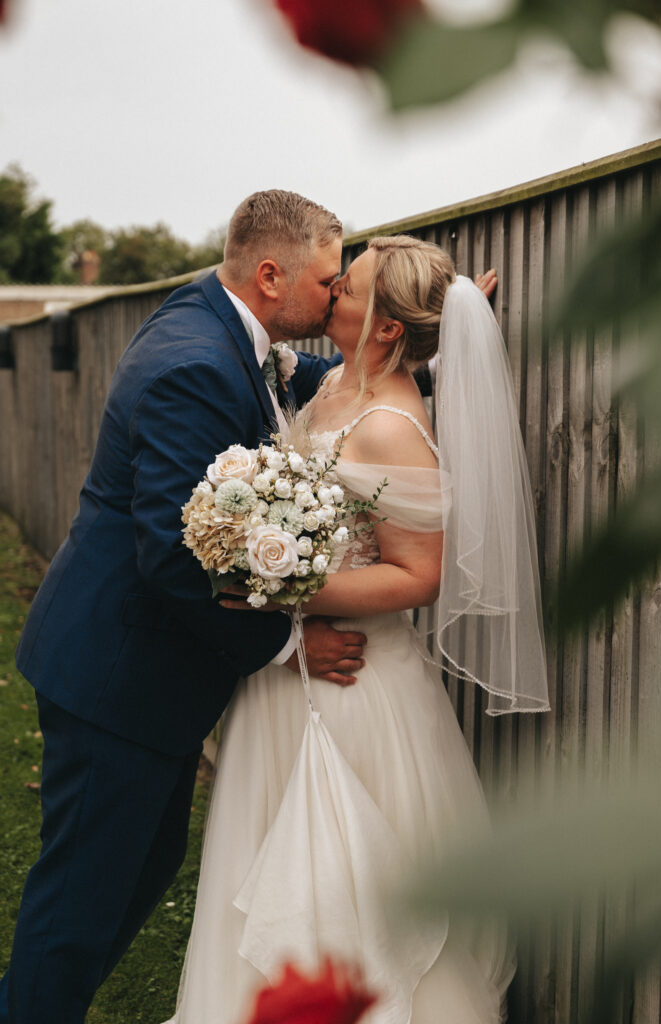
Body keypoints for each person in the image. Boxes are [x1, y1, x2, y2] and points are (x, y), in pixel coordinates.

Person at [0, 191, 372, 1024]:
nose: (338, 294)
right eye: (328, 280)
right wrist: (288, 645)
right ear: (270, 276)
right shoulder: (194, 364)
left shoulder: (219, 320)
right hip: (116, 672)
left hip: (130, 668)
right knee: (81, 904)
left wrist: (410, 340)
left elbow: (291, 382)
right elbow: (172, 556)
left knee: (138, 867)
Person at [163, 236, 550, 1023]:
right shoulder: (335, 379)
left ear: (382, 328)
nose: (333, 288)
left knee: (348, 892)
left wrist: (280, 591)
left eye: (350, 286)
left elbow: (418, 576)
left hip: (354, 686)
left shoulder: (388, 428)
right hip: (292, 677)